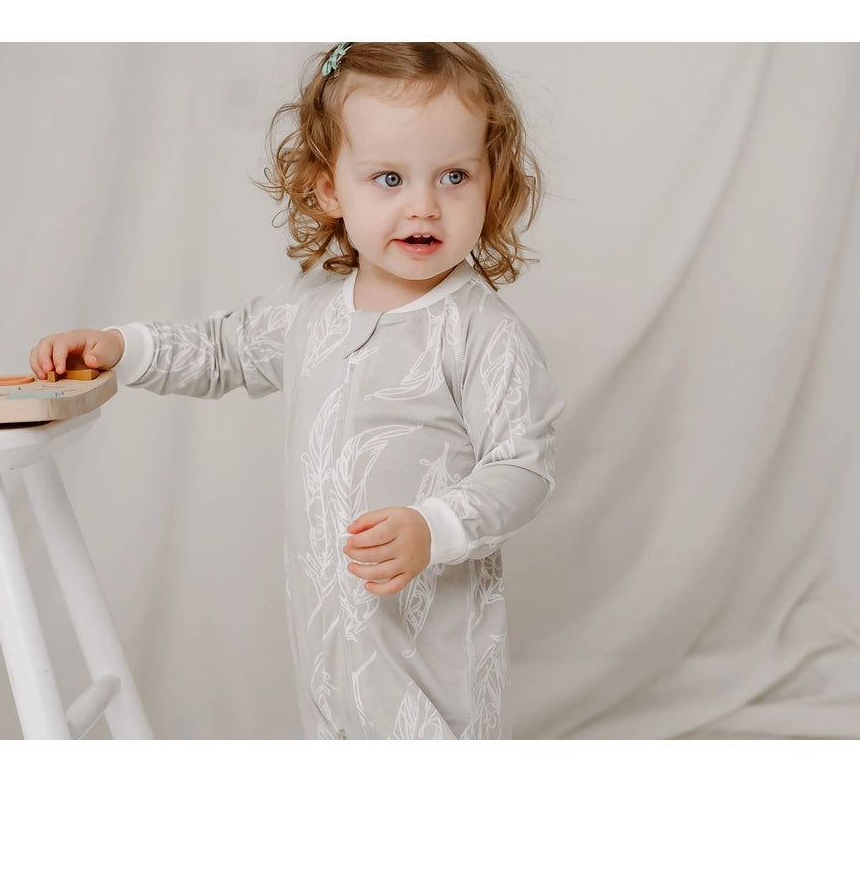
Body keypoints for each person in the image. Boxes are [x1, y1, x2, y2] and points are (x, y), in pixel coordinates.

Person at [29, 42, 564, 739]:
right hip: (330, 644)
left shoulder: (479, 331)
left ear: (493, 184)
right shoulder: (313, 314)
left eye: (455, 176)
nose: (424, 206)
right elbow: (223, 349)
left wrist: (434, 526)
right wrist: (124, 347)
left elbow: (522, 467)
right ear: (329, 190)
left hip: (431, 651)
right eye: (390, 178)